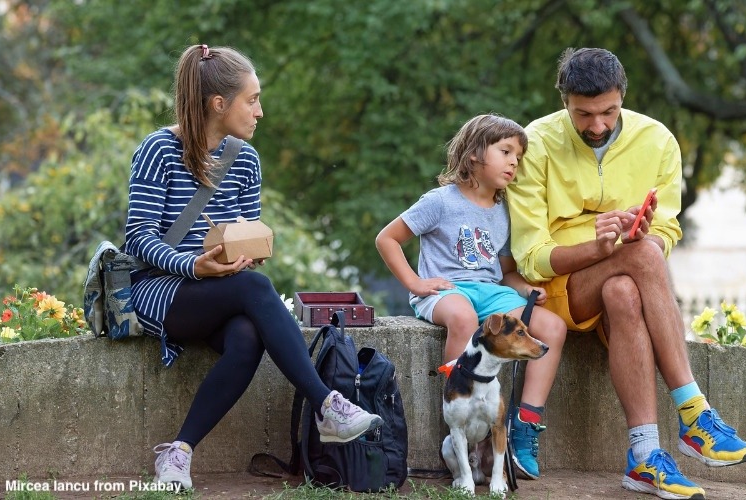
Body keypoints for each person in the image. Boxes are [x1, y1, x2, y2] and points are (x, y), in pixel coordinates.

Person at [124, 44, 383, 490]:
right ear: (218, 104)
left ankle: (178, 453)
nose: (260, 111)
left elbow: (245, 229)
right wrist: (194, 266)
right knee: (256, 289)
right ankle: (326, 405)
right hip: (159, 288)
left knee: (246, 336)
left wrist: (247, 252)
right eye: (253, 99)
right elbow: (138, 237)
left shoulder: (244, 159)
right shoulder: (159, 150)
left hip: (221, 287)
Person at [508, 47, 746, 499]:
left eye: (608, 111)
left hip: (624, 286)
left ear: (623, 96)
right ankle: (694, 412)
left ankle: (644, 457)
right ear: (564, 101)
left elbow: (667, 229)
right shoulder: (536, 142)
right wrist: (598, 248)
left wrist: (646, 235)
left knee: (627, 284)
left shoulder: (657, 140)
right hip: (557, 291)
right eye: (583, 114)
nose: (597, 125)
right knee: (640, 258)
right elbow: (530, 257)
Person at [375, 114, 567, 480]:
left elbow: (506, 271)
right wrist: (416, 283)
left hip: (492, 293)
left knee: (552, 327)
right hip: (447, 290)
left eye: (519, 156)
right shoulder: (440, 201)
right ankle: (459, 426)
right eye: (506, 151)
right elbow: (387, 238)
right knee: (463, 319)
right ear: (474, 154)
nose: (514, 162)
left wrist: (526, 291)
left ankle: (524, 422)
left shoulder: (505, 210)